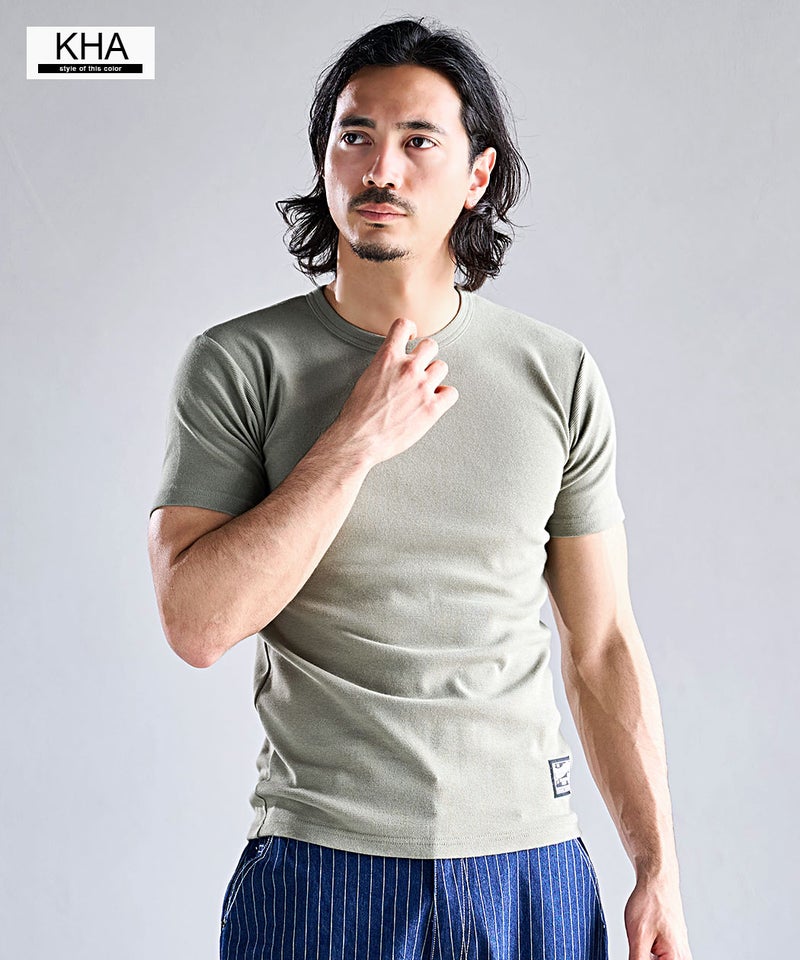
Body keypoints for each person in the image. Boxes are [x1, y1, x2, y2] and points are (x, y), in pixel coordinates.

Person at [147, 16, 692, 960]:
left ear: (477, 176)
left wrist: (657, 867)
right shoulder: (239, 363)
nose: (380, 170)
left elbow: (602, 644)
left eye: (418, 141)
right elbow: (196, 624)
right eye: (354, 136)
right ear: (325, 160)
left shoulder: (555, 372)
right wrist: (354, 441)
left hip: (529, 868)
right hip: (321, 866)